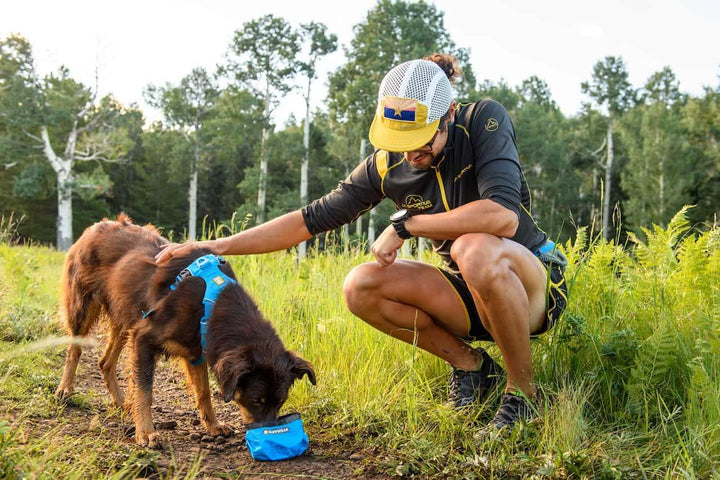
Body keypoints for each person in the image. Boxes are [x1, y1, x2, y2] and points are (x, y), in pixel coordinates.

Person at [156, 54, 567, 435]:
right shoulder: (388, 163)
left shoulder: (483, 121)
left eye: (422, 138)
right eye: (401, 140)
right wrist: (218, 246)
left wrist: (408, 225)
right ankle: (474, 369)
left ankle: (523, 395)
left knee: (472, 248)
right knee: (361, 284)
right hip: (469, 293)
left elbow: (502, 215)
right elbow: (309, 219)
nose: (411, 152)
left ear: (450, 115)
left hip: (531, 285)